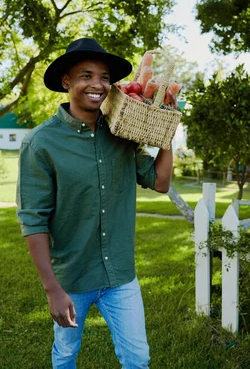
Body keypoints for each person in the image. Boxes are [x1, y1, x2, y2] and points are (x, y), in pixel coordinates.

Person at [16, 38, 175, 369]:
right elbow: (34, 221)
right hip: (71, 279)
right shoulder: (41, 143)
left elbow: (160, 183)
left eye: (104, 77)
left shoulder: (123, 133)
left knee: (138, 359)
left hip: (120, 277)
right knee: (65, 356)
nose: (97, 85)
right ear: (67, 82)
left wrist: (166, 136)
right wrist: (52, 290)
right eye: (85, 75)